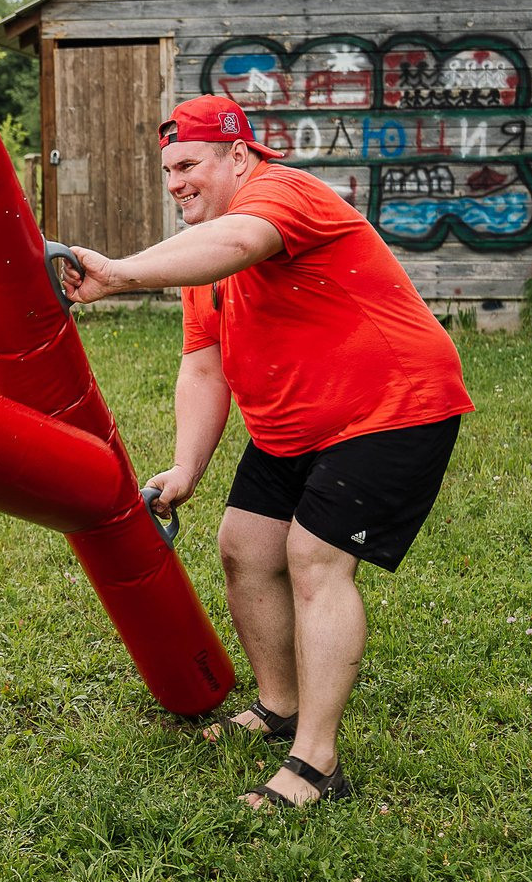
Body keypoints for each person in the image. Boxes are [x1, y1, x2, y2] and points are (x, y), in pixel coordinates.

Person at [57, 95, 473, 810]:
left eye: (189, 165)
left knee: (314, 558)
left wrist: (119, 273)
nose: (176, 182)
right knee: (244, 546)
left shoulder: (283, 194)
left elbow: (243, 242)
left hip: (392, 406)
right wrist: (187, 467)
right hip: (295, 424)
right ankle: (279, 704)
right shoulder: (202, 253)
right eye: (168, 170)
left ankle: (317, 764)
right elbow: (204, 367)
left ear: (239, 156)